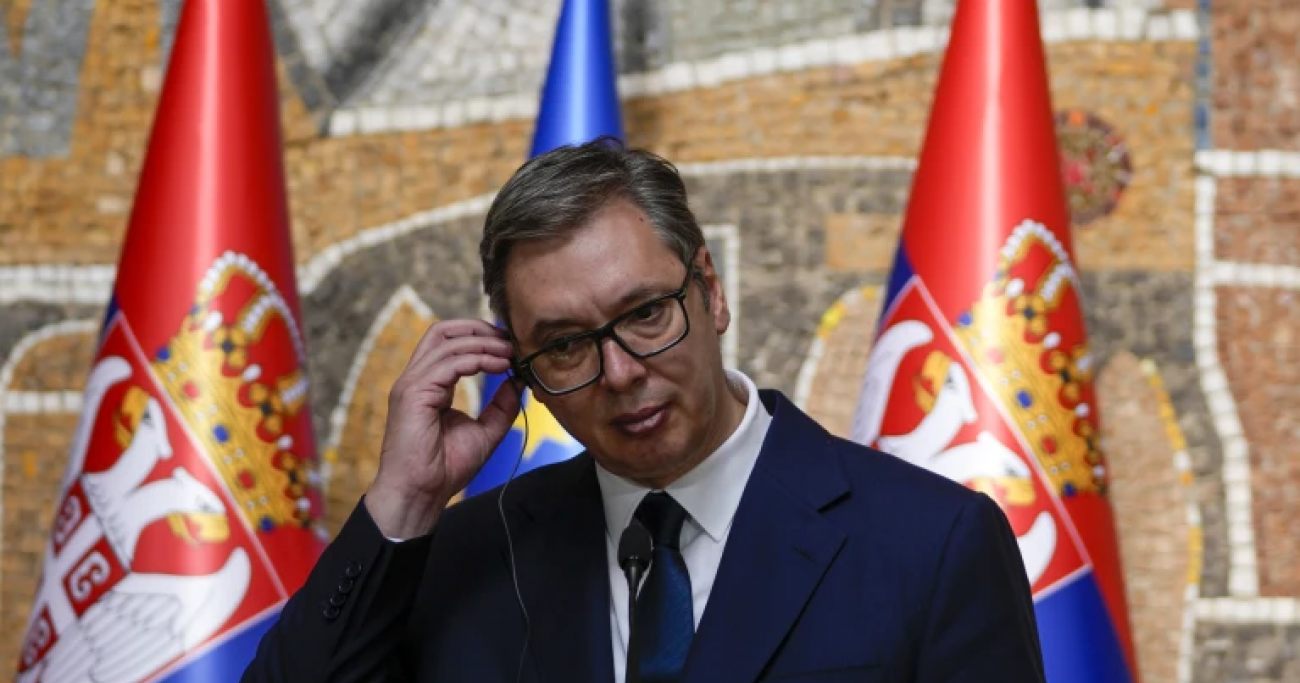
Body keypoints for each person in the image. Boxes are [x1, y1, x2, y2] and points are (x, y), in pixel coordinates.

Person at [243, 139, 1045, 682]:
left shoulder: (930, 542)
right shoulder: (468, 554)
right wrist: (404, 500)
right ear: (520, 369)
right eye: (565, 344)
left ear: (711, 291)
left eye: (647, 313)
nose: (622, 372)